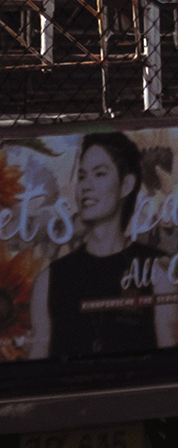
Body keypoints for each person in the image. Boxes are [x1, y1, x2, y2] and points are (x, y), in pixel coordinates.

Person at [30, 131, 170, 361]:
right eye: (83, 176)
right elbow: (37, 363)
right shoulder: (49, 280)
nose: (86, 186)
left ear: (126, 185)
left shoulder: (157, 272)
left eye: (100, 174)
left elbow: (171, 357)